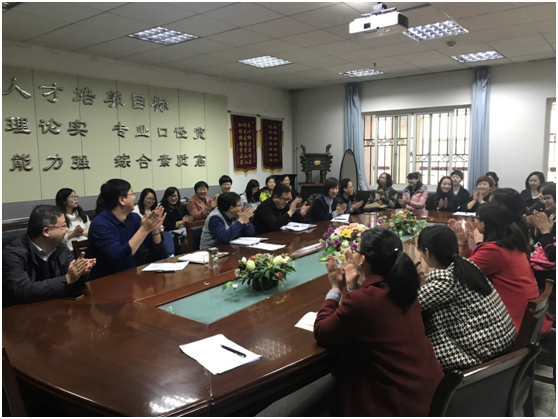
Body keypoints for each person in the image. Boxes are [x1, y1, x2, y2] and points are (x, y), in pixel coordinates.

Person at [314, 228, 444, 416]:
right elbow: (372, 313)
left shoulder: (364, 300)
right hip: (434, 394)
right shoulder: (404, 285)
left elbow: (322, 331)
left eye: (356, 250)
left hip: (401, 406)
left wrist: (335, 288)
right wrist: (354, 287)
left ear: (362, 260)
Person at [416, 225, 516, 371]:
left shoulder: (446, 279)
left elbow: (410, 304)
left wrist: (416, 284)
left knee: (412, 355)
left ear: (426, 252)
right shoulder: (467, 265)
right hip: (503, 343)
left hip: (483, 355)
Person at [448, 202, 553, 335]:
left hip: (514, 322)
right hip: (530, 317)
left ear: (484, 223)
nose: (474, 222)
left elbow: (461, 272)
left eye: (476, 218)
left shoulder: (494, 250)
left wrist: (458, 242)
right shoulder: (510, 242)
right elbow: (474, 263)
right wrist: (464, 242)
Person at [3, 205, 96, 307]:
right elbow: (22, 291)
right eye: (64, 226)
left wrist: (80, 272)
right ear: (46, 231)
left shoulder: (60, 247)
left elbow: (72, 281)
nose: (67, 229)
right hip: (22, 312)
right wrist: (67, 279)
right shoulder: (13, 254)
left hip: (56, 308)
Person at [87, 179, 166, 280]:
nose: (135, 197)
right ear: (122, 200)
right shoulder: (100, 225)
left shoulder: (133, 218)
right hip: (106, 281)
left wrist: (155, 230)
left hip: (130, 275)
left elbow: (156, 247)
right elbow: (119, 258)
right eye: (132, 194)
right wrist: (144, 229)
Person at [527, 182, 556, 289]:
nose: (544, 202)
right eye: (543, 198)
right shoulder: (550, 215)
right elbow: (539, 242)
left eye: (547, 198)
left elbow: (552, 255)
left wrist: (545, 231)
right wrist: (537, 228)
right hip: (540, 262)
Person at [133, 188, 174, 258]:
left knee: (167, 234)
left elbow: (160, 224)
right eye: (148, 198)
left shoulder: (155, 209)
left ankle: (170, 255)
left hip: (155, 233)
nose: (151, 201)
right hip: (143, 235)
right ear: (142, 198)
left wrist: (159, 228)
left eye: (153, 199)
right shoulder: (135, 210)